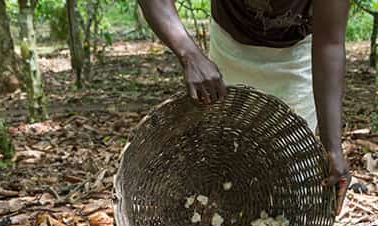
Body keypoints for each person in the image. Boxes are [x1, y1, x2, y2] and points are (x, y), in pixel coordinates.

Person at [137, 0, 351, 212]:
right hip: (230, 43)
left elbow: (329, 45)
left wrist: (332, 148)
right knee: (225, 163)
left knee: (290, 175)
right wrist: (189, 54)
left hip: (295, 54)